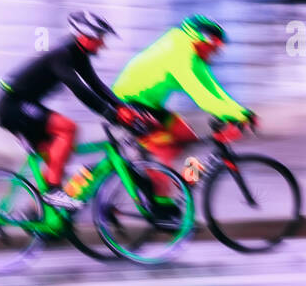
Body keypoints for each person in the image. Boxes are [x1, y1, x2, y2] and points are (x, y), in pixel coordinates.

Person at [0, 11, 128, 209]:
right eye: (100, 38)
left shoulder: (78, 54)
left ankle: (37, 210)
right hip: (11, 106)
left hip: (23, 105)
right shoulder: (62, 54)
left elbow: (96, 85)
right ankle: (53, 192)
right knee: (68, 128)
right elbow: (79, 89)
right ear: (85, 36)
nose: (103, 44)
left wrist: (122, 108)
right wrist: (110, 114)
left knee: (57, 158)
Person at [110, 14, 256, 177]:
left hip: (149, 104)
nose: (215, 53)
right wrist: (238, 114)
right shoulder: (179, 52)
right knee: (166, 152)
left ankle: (181, 188)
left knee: (186, 136)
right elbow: (202, 97)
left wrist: (241, 112)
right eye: (214, 47)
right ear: (200, 39)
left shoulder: (196, 55)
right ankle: (161, 199)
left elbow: (214, 90)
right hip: (128, 102)